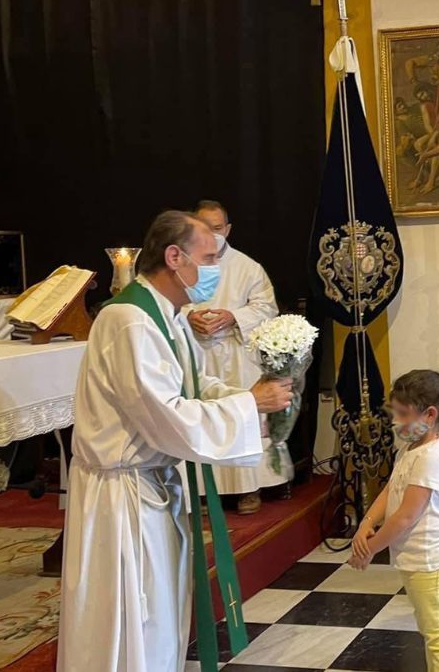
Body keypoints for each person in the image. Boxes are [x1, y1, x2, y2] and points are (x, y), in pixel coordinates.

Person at [57, 211, 293, 672]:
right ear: (173, 256)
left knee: (159, 613)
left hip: (151, 486)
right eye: (207, 258)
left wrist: (248, 398)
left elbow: (195, 385)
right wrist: (248, 408)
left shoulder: (168, 315)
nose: (214, 272)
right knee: (132, 616)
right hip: (122, 496)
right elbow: (165, 415)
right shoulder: (130, 321)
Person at [348, 370, 439, 672]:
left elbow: (405, 516)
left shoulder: (432, 457)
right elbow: (391, 488)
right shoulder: (412, 448)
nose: (395, 422)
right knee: (430, 626)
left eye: (403, 415)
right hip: (418, 556)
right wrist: (367, 522)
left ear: (429, 415)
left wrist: (370, 548)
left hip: (432, 558)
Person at [187, 200, 284, 515]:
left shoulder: (248, 267)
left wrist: (233, 316)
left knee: (242, 415)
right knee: (203, 417)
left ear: (227, 229)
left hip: (236, 351)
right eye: (205, 227)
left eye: (218, 228)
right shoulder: (184, 262)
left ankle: (247, 488)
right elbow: (171, 301)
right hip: (199, 352)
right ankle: (202, 490)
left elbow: (266, 307)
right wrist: (190, 317)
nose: (213, 235)